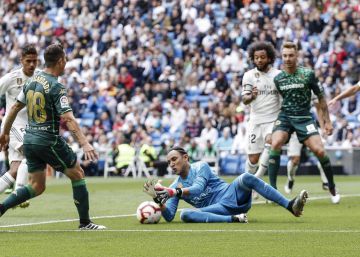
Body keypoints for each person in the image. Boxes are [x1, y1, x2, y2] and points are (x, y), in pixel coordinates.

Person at [0, 44, 106, 230]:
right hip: (47, 138)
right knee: (77, 173)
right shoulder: (56, 86)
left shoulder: (32, 81)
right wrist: (85, 143)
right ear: (60, 61)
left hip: (30, 139)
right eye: (65, 59)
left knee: (37, 186)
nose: (65, 63)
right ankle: (85, 223)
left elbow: (15, 107)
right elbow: (68, 118)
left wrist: (5, 132)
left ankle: (2, 207)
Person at [143, 146, 308, 223]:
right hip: (218, 209)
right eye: (169, 161)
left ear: (185, 157)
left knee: (246, 177)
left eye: (174, 159)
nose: (171, 164)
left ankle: (290, 205)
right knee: (184, 214)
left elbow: (198, 189)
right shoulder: (175, 185)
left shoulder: (201, 166)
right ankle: (234, 219)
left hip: (231, 195)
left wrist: (173, 192)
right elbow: (170, 216)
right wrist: (157, 200)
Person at [267, 41, 340, 204]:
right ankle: (272, 190)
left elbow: (321, 98)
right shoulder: (278, 78)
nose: (287, 59)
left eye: (291, 55)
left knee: (320, 151)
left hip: (304, 117)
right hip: (285, 116)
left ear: (297, 55)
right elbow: (275, 103)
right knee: (276, 142)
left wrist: (326, 122)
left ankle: (332, 187)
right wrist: (269, 128)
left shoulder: (308, 74)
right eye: (284, 55)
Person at [0, 44, 38, 208]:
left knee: (14, 170)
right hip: (13, 126)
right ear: (21, 60)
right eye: (28, 61)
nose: (31, 65)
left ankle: (17, 192)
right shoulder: (11, 78)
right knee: (32, 152)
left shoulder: (39, 78)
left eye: (35, 61)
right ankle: (20, 193)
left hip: (31, 128)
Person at [241, 41, 281, 179]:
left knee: (271, 141)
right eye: (256, 57)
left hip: (273, 120)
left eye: (262, 57)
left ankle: (256, 180)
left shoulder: (278, 76)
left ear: (269, 58)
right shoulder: (249, 75)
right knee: (253, 159)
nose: (259, 60)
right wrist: (252, 96)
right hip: (255, 120)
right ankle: (247, 182)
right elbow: (245, 100)